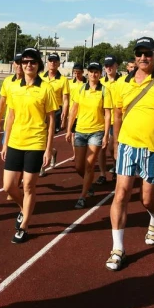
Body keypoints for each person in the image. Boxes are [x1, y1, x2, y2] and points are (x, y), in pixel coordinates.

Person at [106, 37, 154, 271]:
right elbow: (117, 115)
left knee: (147, 198)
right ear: (134, 56)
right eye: (139, 53)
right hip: (128, 145)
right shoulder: (122, 83)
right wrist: (116, 143)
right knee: (120, 195)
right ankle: (117, 249)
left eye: (148, 53)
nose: (143, 57)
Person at [2, 48, 58, 243]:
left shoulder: (46, 89)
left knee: (28, 186)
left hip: (36, 142)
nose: (28, 65)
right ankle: (24, 209)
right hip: (16, 141)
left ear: (38, 64)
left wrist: (49, 148)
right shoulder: (14, 87)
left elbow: (51, 121)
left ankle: (24, 226)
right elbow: (11, 116)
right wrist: (5, 143)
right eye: (25, 62)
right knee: (8, 186)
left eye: (32, 62)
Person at [66, 61, 112, 209]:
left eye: (96, 71)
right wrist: (68, 129)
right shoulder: (81, 89)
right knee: (79, 166)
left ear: (100, 73)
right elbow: (74, 109)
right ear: (88, 73)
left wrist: (106, 135)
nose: (93, 74)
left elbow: (107, 114)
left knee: (89, 166)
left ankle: (82, 196)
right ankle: (89, 183)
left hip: (96, 132)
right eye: (91, 71)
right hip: (80, 131)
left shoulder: (104, 91)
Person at [0, 54, 24, 200]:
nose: (19, 65)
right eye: (17, 62)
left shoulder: (32, 82)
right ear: (13, 64)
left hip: (26, 128)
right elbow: (2, 102)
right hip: (10, 126)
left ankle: (17, 184)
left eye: (22, 62)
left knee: (22, 159)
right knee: (9, 156)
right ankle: (14, 183)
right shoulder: (7, 81)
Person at [39, 53, 70, 176]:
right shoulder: (41, 77)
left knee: (46, 137)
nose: (52, 63)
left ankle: (43, 163)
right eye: (50, 61)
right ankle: (50, 153)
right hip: (41, 112)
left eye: (55, 61)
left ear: (58, 64)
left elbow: (66, 100)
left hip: (55, 112)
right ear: (47, 63)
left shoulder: (63, 80)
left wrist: (64, 116)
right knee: (42, 138)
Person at [98, 55, 123, 183]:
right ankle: (102, 174)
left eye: (111, 65)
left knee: (113, 147)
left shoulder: (123, 81)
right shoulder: (101, 82)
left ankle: (115, 166)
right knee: (101, 148)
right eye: (106, 66)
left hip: (117, 121)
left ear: (116, 65)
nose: (108, 68)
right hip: (102, 120)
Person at [68, 62, 87, 160]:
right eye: (75, 73)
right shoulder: (70, 83)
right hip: (73, 113)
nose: (76, 75)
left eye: (78, 73)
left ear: (82, 72)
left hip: (84, 113)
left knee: (83, 134)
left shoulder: (86, 83)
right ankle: (75, 154)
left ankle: (84, 152)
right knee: (73, 134)